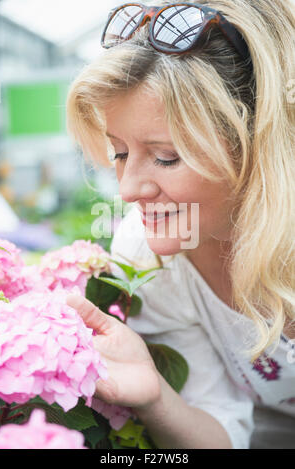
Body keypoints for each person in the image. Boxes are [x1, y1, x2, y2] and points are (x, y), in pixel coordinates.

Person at [65, 0, 295, 449]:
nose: (128, 190)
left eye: (166, 157)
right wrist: (155, 398)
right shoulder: (145, 251)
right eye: (120, 153)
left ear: (255, 145)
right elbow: (224, 432)